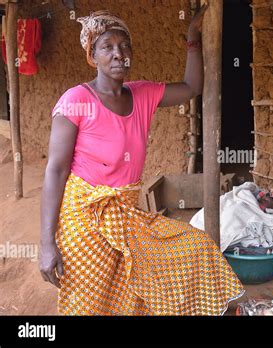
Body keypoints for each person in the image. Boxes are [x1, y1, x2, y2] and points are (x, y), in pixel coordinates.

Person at [39, 6, 244, 315]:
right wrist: (46, 243)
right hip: (83, 221)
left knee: (193, 248)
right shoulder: (77, 100)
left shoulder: (143, 94)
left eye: (124, 46)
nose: (118, 54)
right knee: (91, 304)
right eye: (107, 47)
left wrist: (192, 39)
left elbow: (192, 87)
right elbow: (55, 170)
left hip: (127, 216)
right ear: (92, 56)